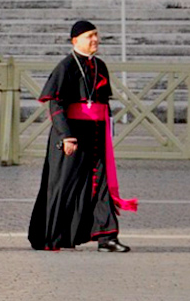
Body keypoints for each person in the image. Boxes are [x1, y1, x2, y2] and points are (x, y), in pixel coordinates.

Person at [28, 20, 138, 252]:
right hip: (72, 133)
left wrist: (109, 129)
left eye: (96, 35)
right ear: (75, 40)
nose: (95, 40)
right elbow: (55, 104)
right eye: (90, 36)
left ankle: (107, 236)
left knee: (101, 184)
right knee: (63, 185)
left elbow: (103, 102)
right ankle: (52, 236)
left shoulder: (100, 65)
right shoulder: (65, 66)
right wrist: (66, 136)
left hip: (96, 134)